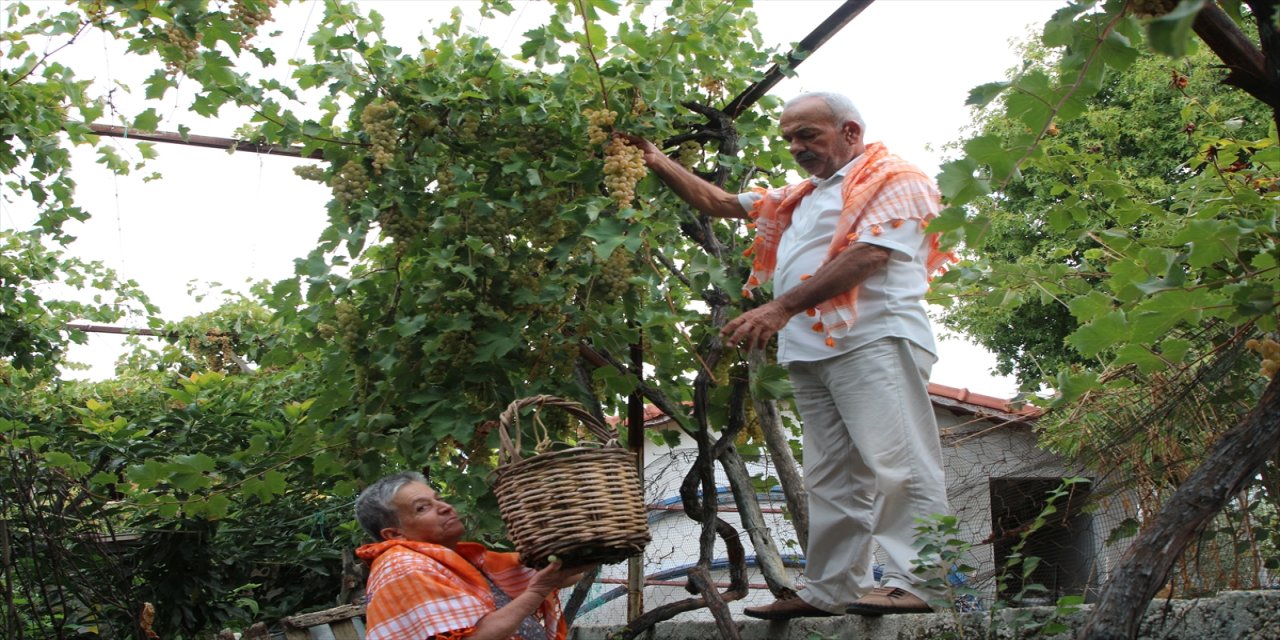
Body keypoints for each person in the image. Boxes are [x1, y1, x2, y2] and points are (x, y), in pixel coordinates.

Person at [620, 92, 952, 618]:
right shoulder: (802, 195)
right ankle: (832, 591)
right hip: (812, 350)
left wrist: (779, 309)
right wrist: (656, 159)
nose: (796, 147)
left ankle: (926, 583)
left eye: (808, 135)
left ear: (849, 131)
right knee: (831, 476)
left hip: (876, 338)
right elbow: (721, 203)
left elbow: (870, 255)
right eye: (790, 139)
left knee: (898, 463)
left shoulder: (896, 179)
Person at [354, 471, 590, 639]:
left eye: (438, 498)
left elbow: (563, 574)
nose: (445, 507)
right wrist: (537, 591)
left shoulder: (460, 560)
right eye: (422, 507)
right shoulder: (401, 564)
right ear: (395, 533)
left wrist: (600, 544)